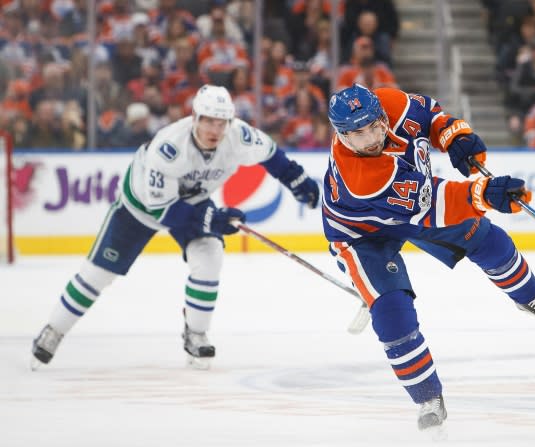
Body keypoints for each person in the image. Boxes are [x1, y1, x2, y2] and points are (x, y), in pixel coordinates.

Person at [323, 84, 535, 431]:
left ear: (382, 114)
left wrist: (454, 136)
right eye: (356, 134)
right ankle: (427, 395)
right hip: (361, 233)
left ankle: (530, 298)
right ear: (341, 136)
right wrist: (484, 193)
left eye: (373, 127)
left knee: (488, 240)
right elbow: (429, 206)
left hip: (415, 205)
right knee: (393, 311)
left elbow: (431, 113)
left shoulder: (393, 101)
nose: (369, 140)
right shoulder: (359, 175)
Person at [31, 85, 320, 369]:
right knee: (97, 275)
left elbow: (271, 155)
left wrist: (297, 180)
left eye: (221, 123)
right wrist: (213, 220)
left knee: (209, 258)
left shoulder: (239, 137)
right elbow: (164, 210)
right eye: (207, 120)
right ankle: (53, 330)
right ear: (194, 118)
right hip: (140, 208)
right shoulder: (168, 147)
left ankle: (195, 332)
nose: (215, 129)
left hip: (194, 201)